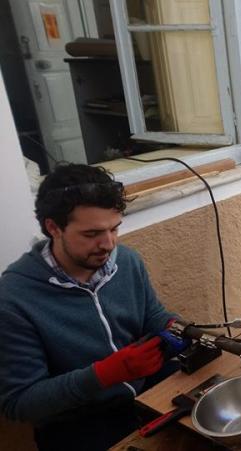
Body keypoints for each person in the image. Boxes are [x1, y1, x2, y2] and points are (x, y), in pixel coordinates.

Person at [0, 164, 178, 451]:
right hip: (78, 421)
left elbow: (153, 316)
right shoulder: (14, 298)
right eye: (92, 233)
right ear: (53, 228)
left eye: (114, 228)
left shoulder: (126, 260)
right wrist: (103, 374)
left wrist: (178, 329)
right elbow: (20, 403)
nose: (108, 244)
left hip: (143, 392)